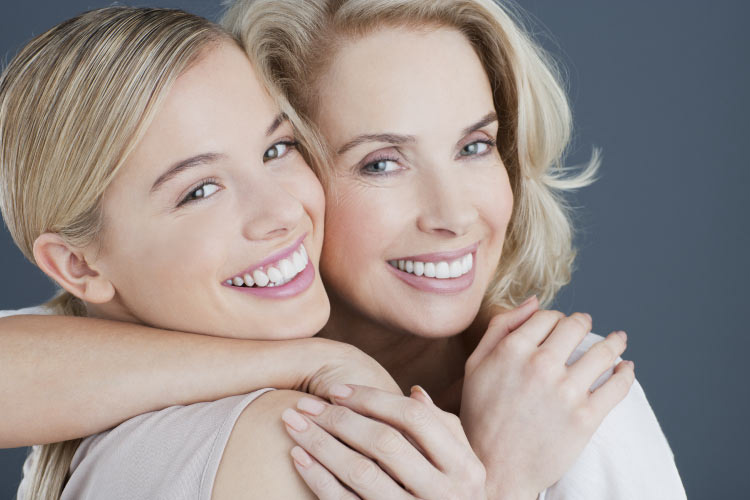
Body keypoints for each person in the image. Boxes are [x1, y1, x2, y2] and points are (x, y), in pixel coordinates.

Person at [0, 2, 662, 499]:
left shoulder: (568, 395)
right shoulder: (298, 437)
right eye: (379, 162)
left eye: (475, 146)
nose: (281, 211)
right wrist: (505, 482)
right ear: (77, 266)